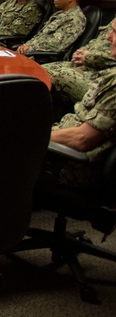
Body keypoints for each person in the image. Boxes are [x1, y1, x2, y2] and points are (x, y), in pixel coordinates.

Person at [50, 17, 116, 188]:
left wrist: (36, 137)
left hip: (72, 164)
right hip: (64, 140)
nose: (108, 38)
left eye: (114, 32)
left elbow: (82, 139)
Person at [44, 16, 116, 113]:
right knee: (39, 71)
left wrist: (88, 56)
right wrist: (81, 51)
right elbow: (96, 42)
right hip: (84, 65)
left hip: (99, 74)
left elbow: (112, 59)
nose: (109, 37)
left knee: (59, 76)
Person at [16, 0, 87, 57]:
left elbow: (57, 44)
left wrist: (29, 49)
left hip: (45, 59)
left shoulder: (75, 19)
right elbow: (40, 36)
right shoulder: (60, 14)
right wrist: (25, 46)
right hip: (31, 53)